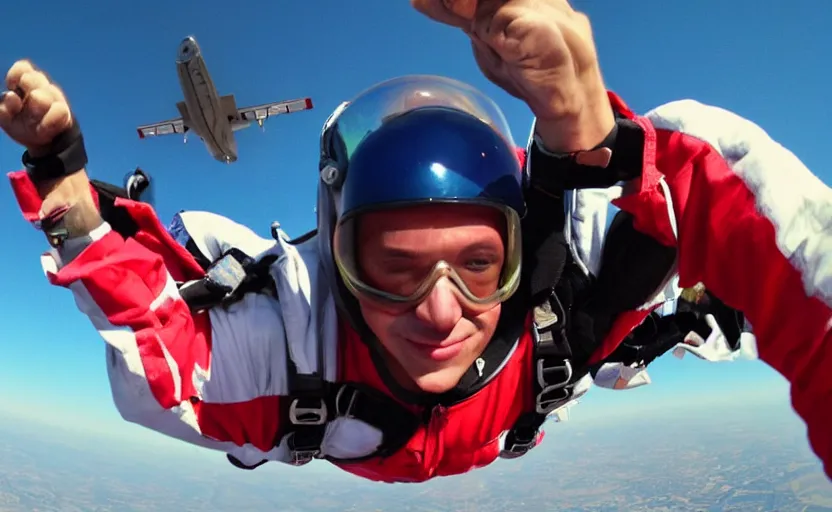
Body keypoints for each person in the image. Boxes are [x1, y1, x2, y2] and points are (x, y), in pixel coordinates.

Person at [1, 0, 830, 484]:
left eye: (477, 265)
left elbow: (716, 188)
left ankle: (678, 330)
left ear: (513, 258)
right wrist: (68, 187)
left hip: (553, 371)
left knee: (636, 311)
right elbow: (160, 357)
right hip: (525, 387)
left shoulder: (559, 299)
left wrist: (594, 142)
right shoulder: (285, 352)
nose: (441, 311)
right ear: (337, 266)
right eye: (393, 266)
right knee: (614, 323)